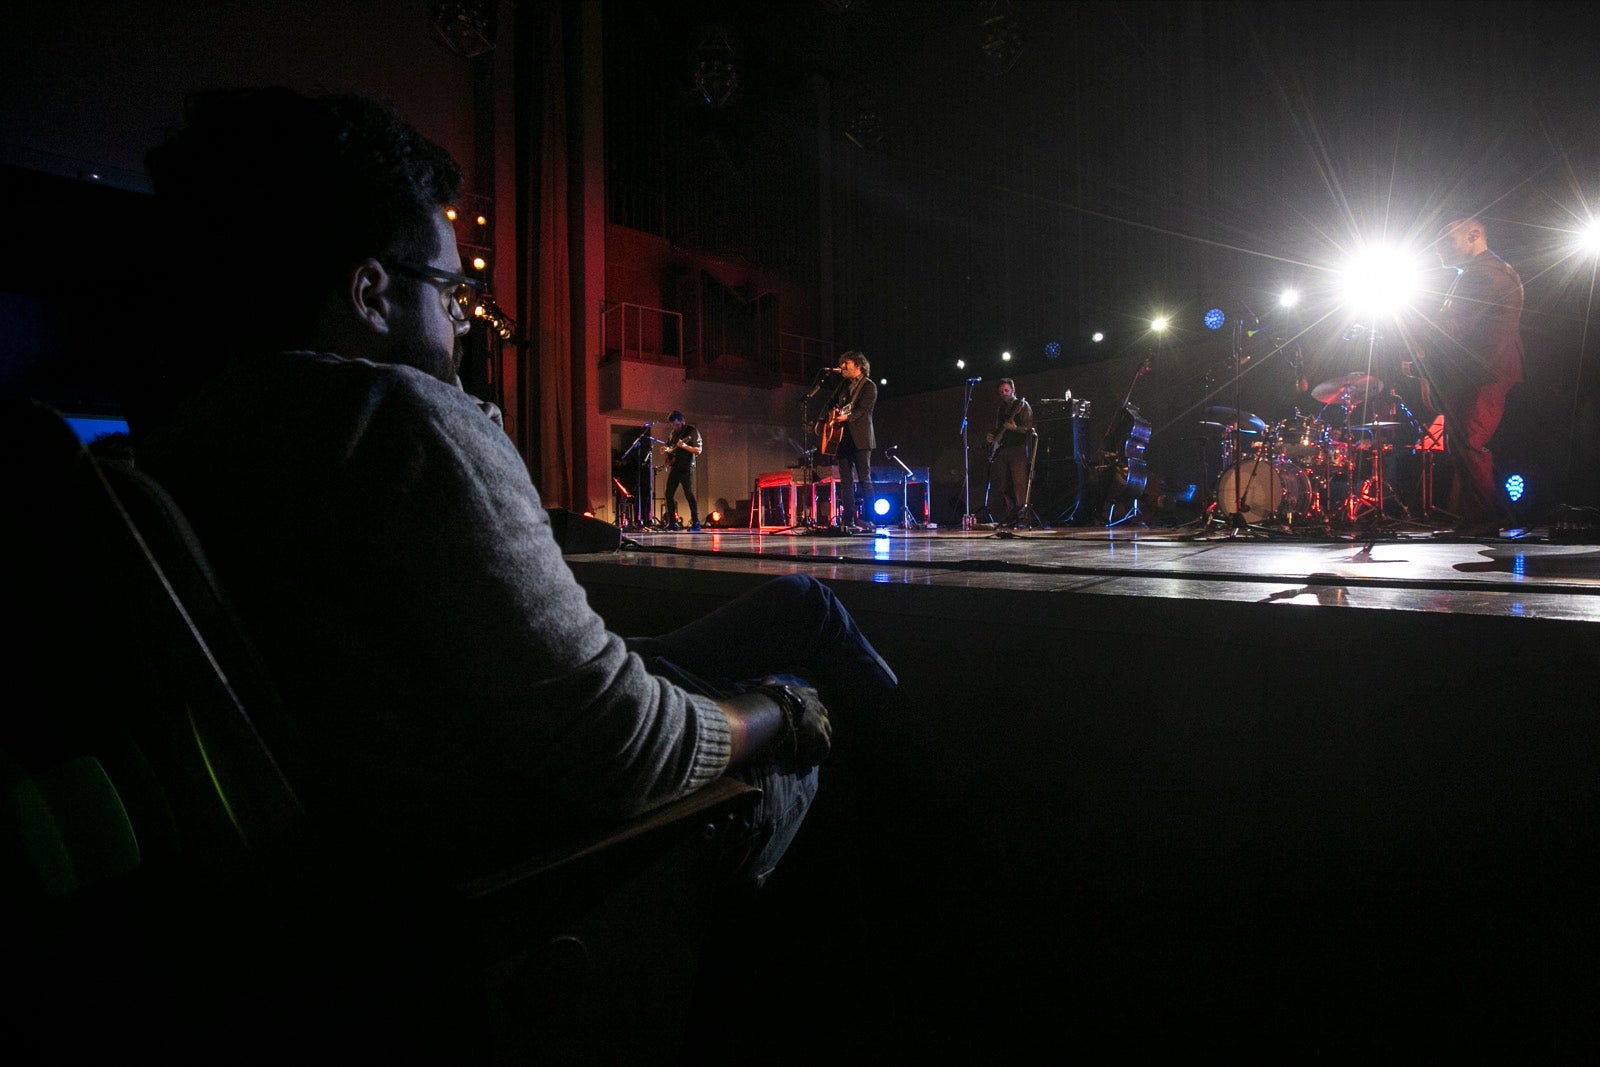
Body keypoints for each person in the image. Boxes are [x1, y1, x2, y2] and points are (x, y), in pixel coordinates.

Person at [131, 87, 897, 890]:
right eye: (450, 292)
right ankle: (915, 868)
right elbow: (620, 744)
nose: (464, 321)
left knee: (804, 600)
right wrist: (775, 704)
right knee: (810, 679)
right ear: (370, 294)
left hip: (444, 756)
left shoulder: (192, 437)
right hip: (535, 837)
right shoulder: (394, 420)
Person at [1408, 217, 1525, 535]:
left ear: (1473, 236)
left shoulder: (1485, 274)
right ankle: (1476, 516)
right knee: (1461, 443)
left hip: (1483, 371)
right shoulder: (1482, 272)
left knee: (1469, 441)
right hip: (1477, 371)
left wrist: (1409, 312)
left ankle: (1487, 519)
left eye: (1446, 240)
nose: (1437, 249)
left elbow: (1453, 328)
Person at [824, 351, 877, 533]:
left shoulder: (869, 386)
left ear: (858, 365)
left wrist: (847, 417)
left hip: (861, 438)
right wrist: (829, 418)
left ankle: (870, 520)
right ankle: (848, 522)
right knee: (846, 482)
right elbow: (830, 404)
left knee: (864, 480)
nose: (843, 367)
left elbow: (863, 410)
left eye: (846, 363)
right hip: (842, 439)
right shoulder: (843, 386)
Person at [983, 378, 1033, 525]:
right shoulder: (1001, 409)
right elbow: (999, 428)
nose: (1004, 394)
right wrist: (992, 436)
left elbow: (1030, 428)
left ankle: (1023, 517)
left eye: (1006, 390)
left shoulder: (1022, 405)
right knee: (1003, 485)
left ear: (1012, 390)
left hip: (1018, 450)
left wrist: (1015, 428)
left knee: (1019, 484)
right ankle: (1011, 514)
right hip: (1003, 450)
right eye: (1001, 392)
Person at [661, 409, 702, 531]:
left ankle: (696, 523)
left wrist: (684, 446)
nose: (675, 427)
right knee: (668, 493)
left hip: (687, 466)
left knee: (688, 493)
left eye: (677, 425)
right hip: (676, 467)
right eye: (673, 425)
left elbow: (698, 450)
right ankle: (673, 523)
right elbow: (671, 448)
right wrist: (666, 451)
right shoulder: (673, 433)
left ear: (683, 421)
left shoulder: (691, 431)